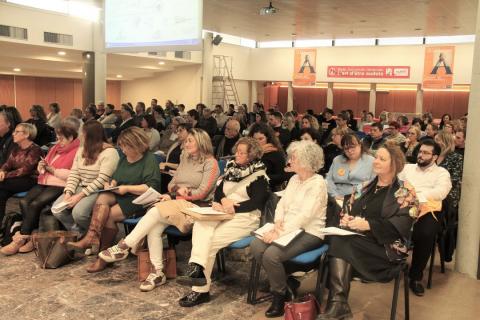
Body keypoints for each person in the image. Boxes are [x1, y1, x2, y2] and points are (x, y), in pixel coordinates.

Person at [98, 129, 220, 290]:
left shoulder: (211, 163)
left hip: (197, 208)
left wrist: (181, 194)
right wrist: (177, 190)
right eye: (186, 141)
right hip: (177, 203)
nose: (186, 143)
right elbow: (171, 183)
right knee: (154, 226)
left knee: (154, 212)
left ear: (201, 142)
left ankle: (125, 246)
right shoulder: (185, 158)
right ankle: (157, 272)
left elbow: (203, 193)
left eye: (190, 140)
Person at [318, 142, 415, 320]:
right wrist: (347, 219)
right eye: (376, 157)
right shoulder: (365, 186)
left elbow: (403, 225)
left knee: (340, 243)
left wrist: (369, 225)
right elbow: (347, 209)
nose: (375, 161)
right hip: (359, 243)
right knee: (337, 238)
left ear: (394, 164)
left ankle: (338, 304)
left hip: (387, 250)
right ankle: (338, 304)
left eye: (381, 159)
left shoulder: (404, 191)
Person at [177, 137, 270, 306]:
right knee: (200, 223)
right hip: (223, 212)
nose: (237, 154)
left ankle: (199, 289)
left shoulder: (259, 175)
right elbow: (219, 191)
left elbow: (257, 202)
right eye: (237, 151)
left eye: (242, 152)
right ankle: (197, 270)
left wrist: (233, 207)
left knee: (209, 242)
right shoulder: (231, 168)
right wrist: (224, 202)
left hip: (246, 218)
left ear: (252, 156)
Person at [250, 140, 328, 318]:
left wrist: (278, 232)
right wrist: (277, 222)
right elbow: (282, 204)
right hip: (287, 228)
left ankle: (279, 295)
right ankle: (284, 283)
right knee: (256, 246)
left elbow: (304, 217)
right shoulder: (293, 179)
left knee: (271, 255)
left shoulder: (318, 183)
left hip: (310, 232)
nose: (290, 160)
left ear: (306, 161)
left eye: (294, 158)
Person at [67, 127, 161, 272]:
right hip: (122, 193)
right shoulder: (124, 158)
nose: (122, 150)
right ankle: (92, 237)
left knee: (109, 215)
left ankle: (102, 257)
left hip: (140, 199)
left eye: (125, 146)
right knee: (103, 196)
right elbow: (116, 177)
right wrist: (111, 184)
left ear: (136, 144)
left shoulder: (149, 159)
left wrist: (127, 188)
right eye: (121, 146)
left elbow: (151, 187)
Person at [1, 122, 80, 255]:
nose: (58, 141)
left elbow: (73, 174)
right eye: (58, 137)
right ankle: (33, 236)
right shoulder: (55, 148)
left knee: (35, 204)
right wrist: (42, 166)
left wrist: (52, 170)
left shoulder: (77, 151)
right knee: (24, 202)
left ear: (71, 137)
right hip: (44, 181)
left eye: (61, 138)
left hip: (60, 184)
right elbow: (41, 166)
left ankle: (21, 239)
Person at [398, 140, 451, 297]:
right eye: (420, 151)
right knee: (384, 221)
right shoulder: (407, 168)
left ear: (434, 157)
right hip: (403, 206)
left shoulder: (442, 173)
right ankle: (386, 264)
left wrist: (415, 195)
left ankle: (415, 277)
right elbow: (396, 184)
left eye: (426, 153)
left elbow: (441, 193)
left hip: (428, 210)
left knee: (425, 234)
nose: (421, 155)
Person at [52, 120, 120, 235]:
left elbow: (102, 180)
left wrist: (78, 196)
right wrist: (68, 192)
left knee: (79, 214)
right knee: (57, 210)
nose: (80, 136)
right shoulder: (81, 151)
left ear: (90, 136)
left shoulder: (110, 152)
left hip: (98, 190)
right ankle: (82, 233)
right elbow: (74, 173)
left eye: (82, 133)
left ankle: (96, 234)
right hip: (81, 187)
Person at [0, 123, 42, 232]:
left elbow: (25, 170)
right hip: (16, 179)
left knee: (1, 185)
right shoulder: (16, 148)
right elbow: (7, 164)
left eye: (17, 132)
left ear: (27, 134)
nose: (13, 134)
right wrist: (2, 170)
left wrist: (5, 175)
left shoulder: (35, 150)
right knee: (1, 194)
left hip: (31, 180)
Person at [435, 131, 464, 262]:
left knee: (447, 227)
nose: (435, 143)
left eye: (438, 140)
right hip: (434, 193)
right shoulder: (433, 156)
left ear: (445, 142)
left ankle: (446, 253)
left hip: (449, 195)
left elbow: (455, 179)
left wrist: (438, 185)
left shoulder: (456, 157)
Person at [327, 134, 375, 199]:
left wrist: (357, 193)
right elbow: (329, 180)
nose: (350, 151)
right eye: (346, 148)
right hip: (337, 196)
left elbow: (373, 181)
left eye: (353, 147)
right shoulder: (337, 160)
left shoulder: (371, 161)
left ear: (360, 145)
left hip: (360, 197)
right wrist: (335, 195)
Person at [248, 123, 288, 191]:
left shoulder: (276, 154)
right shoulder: (249, 152)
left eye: (260, 139)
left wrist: (262, 176)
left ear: (268, 138)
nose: (257, 142)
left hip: (268, 190)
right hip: (250, 187)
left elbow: (282, 176)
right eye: (254, 139)